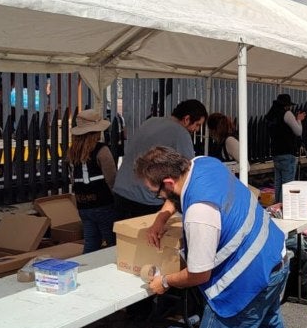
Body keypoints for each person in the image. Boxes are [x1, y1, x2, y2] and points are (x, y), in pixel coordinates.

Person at [136, 146, 294, 328]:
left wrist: (165, 282)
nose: (160, 198)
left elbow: (199, 274)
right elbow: (174, 197)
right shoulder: (203, 163)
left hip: (246, 284)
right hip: (275, 261)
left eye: (156, 193)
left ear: (168, 181)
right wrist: (160, 218)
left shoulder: (199, 213)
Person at [113, 99, 207, 224]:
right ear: (187, 119)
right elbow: (189, 170)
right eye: (198, 124)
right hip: (146, 199)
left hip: (121, 191)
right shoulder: (181, 133)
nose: (197, 130)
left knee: (123, 240)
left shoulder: (151, 121)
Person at [68, 109, 118, 253]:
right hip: (103, 204)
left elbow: (72, 179)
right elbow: (111, 178)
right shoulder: (102, 150)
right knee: (112, 242)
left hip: (83, 204)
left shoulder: (72, 152)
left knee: (91, 242)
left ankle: (86, 270)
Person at [265, 93, 305, 203]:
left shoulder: (271, 115)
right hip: (287, 152)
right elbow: (298, 131)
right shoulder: (287, 114)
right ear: (287, 105)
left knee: (278, 183)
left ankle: (277, 207)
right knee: (287, 185)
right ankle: (284, 209)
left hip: (276, 153)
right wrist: (299, 120)